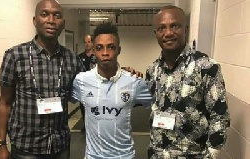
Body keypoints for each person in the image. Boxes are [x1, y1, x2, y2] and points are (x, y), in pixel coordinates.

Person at [0, 0, 85, 159]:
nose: (51, 20)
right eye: (44, 15)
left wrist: (122, 72)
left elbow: (93, 84)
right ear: (34, 20)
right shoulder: (15, 56)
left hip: (60, 147)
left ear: (63, 23)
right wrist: (1, 144)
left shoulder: (72, 59)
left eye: (57, 16)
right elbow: (5, 102)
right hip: (26, 148)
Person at [145, 5, 230, 159]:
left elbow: (220, 118)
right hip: (157, 155)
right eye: (162, 28)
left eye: (175, 26)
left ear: (186, 29)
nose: (168, 33)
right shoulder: (152, 70)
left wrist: (209, 156)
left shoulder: (206, 67)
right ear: (156, 33)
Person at [71, 22, 153, 159]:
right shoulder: (81, 81)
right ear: (94, 50)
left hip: (124, 156)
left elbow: (156, 106)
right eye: (99, 47)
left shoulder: (134, 82)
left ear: (119, 50)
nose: (105, 53)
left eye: (111, 47)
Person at [78, 34, 96, 132]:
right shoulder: (80, 57)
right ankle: (85, 125)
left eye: (89, 42)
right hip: (83, 87)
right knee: (83, 106)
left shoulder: (97, 57)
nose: (87, 44)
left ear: (92, 43)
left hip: (94, 86)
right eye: (85, 42)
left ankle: (93, 125)